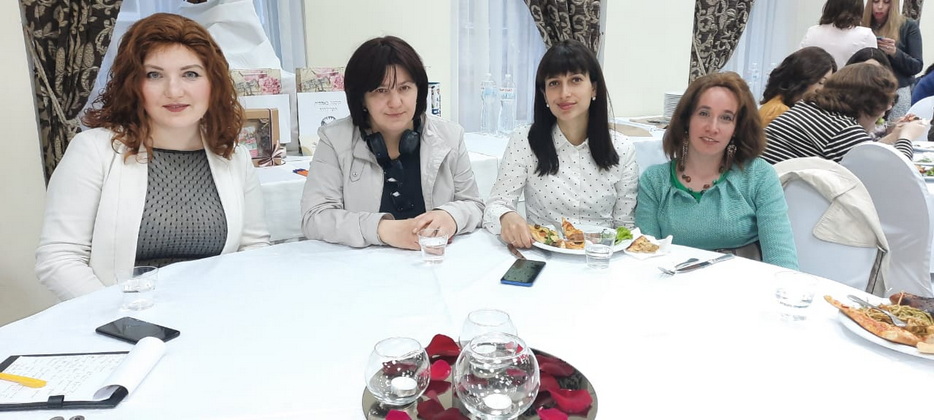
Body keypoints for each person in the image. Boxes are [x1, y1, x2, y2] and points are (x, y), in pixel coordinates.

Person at [35, 13, 271, 301]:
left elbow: (253, 248)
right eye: (154, 75)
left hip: (214, 311)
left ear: (214, 82)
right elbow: (59, 259)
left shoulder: (234, 157)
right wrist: (122, 314)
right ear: (133, 84)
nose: (174, 91)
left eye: (190, 74)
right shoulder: (93, 150)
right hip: (122, 314)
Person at [301, 36, 483, 249]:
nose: (395, 102)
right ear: (361, 98)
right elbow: (314, 218)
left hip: (432, 261)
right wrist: (383, 230)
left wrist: (451, 216)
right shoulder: (334, 139)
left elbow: (475, 205)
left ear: (419, 90)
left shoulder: (449, 136)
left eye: (404, 88)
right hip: (361, 265)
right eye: (381, 91)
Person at [482, 39, 638, 248]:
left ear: (594, 88)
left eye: (575, 80)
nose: (564, 93)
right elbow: (495, 205)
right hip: (543, 255)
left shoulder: (623, 148)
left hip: (601, 257)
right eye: (554, 83)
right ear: (544, 94)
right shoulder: (525, 140)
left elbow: (625, 227)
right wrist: (506, 216)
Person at [635, 72, 797, 269]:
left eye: (726, 118)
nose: (712, 128)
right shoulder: (654, 181)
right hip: (673, 283)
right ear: (686, 119)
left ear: (737, 128)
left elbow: (782, 260)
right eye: (704, 113)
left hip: (745, 284)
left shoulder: (759, 176)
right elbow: (646, 259)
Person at [762, 63, 927, 164]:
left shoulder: (808, 108)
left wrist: (893, 136)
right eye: (888, 102)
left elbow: (861, 153)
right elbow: (894, 176)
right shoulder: (842, 129)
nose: (889, 107)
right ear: (871, 103)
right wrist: (906, 137)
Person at [862, 0, 923, 121]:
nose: (880, 7)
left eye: (886, 2)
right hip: (865, 89)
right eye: (875, 2)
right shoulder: (861, 26)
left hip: (897, 91)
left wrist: (895, 53)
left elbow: (917, 66)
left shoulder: (908, 26)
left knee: (893, 128)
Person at [759, 47, 837, 126]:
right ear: (803, 79)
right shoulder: (779, 111)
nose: (822, 90)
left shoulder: (779, 105)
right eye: (821, 82)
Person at [800, 0, 878, 70]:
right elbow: (872, 72)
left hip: (815, 81)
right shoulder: (865, 35)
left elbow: (798, 63)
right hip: (849, 81)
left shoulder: (812, 32)